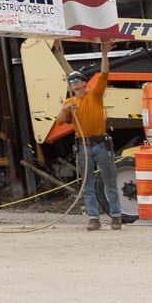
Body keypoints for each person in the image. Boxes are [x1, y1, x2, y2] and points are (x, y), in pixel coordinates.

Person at [54, 44, 122, 231]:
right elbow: (60, 121)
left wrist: (104, 54)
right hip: (83, 146)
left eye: (77, 79)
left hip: (100, 142)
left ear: (85, 82)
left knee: (110, 181)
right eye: (71, 80)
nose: (74, 82)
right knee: (87, 184)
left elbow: (104, 74)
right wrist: (64, 109)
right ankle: (93, 218)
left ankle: (115, 216)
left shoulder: (95, 95)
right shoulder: (70, 102)